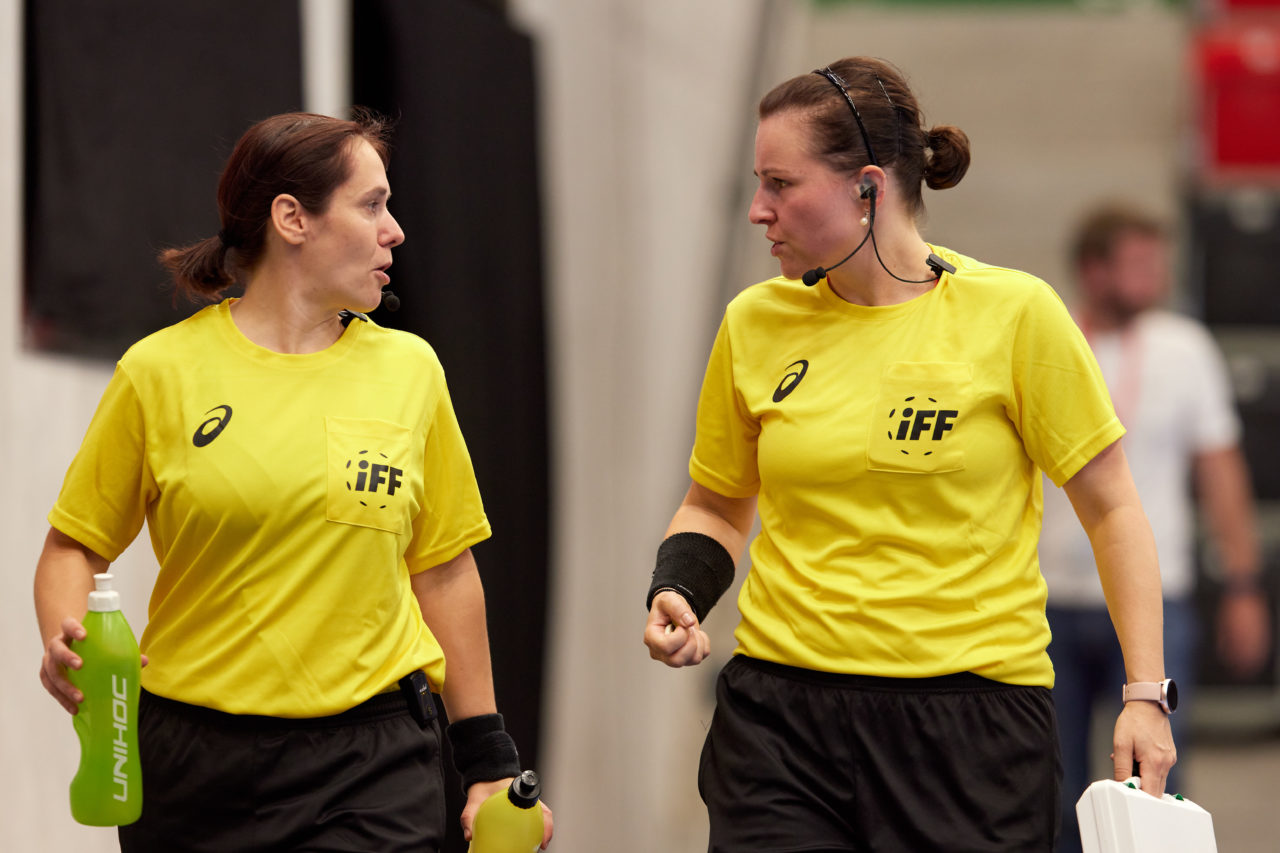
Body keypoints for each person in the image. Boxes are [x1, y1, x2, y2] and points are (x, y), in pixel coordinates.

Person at [641, 57, 1175, 851]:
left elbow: (1113, 508)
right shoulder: (755, 322)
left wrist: (1145, 694)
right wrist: (679, 587)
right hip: (780, 724)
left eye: (780, 184)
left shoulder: (1015, 314)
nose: (758, 210)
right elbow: (717, 501)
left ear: (867, 186)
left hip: (969, 731)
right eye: (758, 183)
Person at [34, 110, 553, 852]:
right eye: (372, 204)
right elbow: (73, 548)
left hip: (371, 763)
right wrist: (66, 639)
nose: (395, 229)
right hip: (190, 763)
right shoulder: (158, 373)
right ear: (292, 218)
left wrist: (489, 762)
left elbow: (443, 571)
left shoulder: (410, 372)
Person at [1041, 202, 1270, 853]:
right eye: (1137, 263)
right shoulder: (1052, 343)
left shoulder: (1184, 348)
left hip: (1153, 598)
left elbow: (1221, 472)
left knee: (1155, 781)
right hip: (1047, 598)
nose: (1154, 276)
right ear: (1093, 268)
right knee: (1047, 783)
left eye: (1156, 261)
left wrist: (1244, 582)